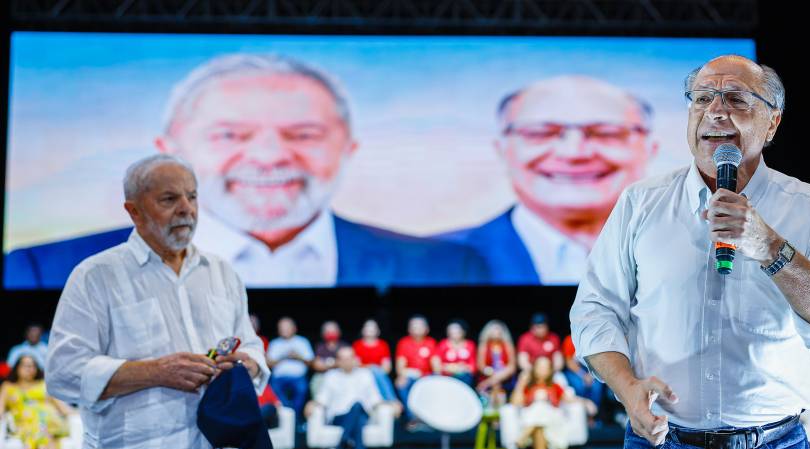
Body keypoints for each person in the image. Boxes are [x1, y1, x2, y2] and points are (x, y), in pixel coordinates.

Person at [570, 55, 810, 449]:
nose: (715, 110)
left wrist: (768, 245)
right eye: (701, 98)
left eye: (734, 98)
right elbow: (596, 310)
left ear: (772, 123)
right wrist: (627, 389)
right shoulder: (641, 203)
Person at [4, 54, 487, 290]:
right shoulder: (44, 271)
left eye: (304, 134)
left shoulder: (449, 266)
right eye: (230, 135)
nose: (271, 157)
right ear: (168, 151)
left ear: (348, 148)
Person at [44, 154, 270, 449]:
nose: (186, 208)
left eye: (192, 196)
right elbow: (63, 373)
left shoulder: (223, 272)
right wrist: (156, 372)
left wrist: (249, 363)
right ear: (133, 211)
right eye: (169, 198)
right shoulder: (96, 276)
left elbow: (247, 343)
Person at [439, 75, 656, 285]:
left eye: (606, 133)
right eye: (540, 133)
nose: (574, 153)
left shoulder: (686, 249)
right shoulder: (440, 258)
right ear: (502, 150)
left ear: (650, 149)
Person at [1, 354, 79, 449]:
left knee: (39, 427)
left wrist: (80, 413)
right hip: (24, 426)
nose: (29, 368)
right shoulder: (8, 387)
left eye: (32, 365)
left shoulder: (43, 385)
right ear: (17, 368)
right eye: (25, 365)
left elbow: (62, 408)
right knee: (42, 435)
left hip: (51, 423)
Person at [304, 346, 382, 449]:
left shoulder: (365, 374)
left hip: (362, 413)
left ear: (355, 359)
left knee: (357, 406)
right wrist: (312, 403)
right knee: (357, 421)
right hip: (339, 417)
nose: (347, 361)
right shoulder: (331, 376)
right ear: (338, 361)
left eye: (350, 358)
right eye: (343, 359)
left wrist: (390, 404)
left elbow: (375, 398)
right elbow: (323, 398)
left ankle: (341, 444)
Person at [510, 356, 574, 449]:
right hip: (534, 421)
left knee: (541, 408)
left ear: (550, 370)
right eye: (540, 367)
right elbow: (515, 403)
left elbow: (570, 400)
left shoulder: (555, 386)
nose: (542, 370)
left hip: (552, 421)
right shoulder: (528, 386)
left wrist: (585, 402)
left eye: (546, 367)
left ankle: (523, 436)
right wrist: (520, 384)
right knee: (538, 425)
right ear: (534, 369)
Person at [394, 315, 437, 425]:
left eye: (420, 326)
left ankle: (429, 419)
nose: (416, 328)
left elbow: (436, 366)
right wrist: (406, 374)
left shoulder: (431, 342)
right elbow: (400, 367)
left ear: (426, 329)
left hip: (427, 377)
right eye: (413, 326)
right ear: (409, 329)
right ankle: (413, 418)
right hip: (411, 376)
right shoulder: (404, 343)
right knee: (401, 383)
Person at [267, 317, 314, 413]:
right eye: (281, 327)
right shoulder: (274, 343)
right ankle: (290, 413)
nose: (284, 330)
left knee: (302, 389)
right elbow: (268, 364)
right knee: (273, 390)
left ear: (294, 328)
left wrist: (297, 356)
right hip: (279, 378)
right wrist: (283, 357)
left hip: (298, 377)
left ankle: (294, 416)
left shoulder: (302, 341)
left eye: (287, 327)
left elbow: (311, 362)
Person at [352, 319, 400, 403]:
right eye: (367, 328)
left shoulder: (383, 345)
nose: (370, 331)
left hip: (379, 375)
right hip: (362, 374)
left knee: (377, 372)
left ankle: (390, 401)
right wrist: (371, 368)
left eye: (373, 328)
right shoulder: (357, 345)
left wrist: (375, 370)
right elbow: (356, 365)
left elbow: (387, 368)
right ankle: (392, 400)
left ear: (378, 331)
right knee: (373, 369)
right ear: (363, 331)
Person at [561, 333, 604, 422]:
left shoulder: (594, 338)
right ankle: (581, 416)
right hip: (576, 371)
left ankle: (592, 416)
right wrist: (582, 375)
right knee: (579, 385)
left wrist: (591, 375)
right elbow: (569, 362)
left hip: (593, 370)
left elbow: (600, 360)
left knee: (597, 386)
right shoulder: (570, 339)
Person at [475, 320, 518, 406]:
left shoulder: (508, 345)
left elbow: (512, 367)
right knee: (496, 384)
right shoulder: (484, 346)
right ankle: (493, 409)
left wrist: (489, 382)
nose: (497, 332)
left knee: (496, 384)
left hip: (505, 377)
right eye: (494, 330)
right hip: (488, 375)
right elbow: (481, 366)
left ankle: (498, 410)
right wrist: (491, 373)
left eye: (499, 330)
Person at [310, 321, 349, 397]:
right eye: (328, 331)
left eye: (333, 331)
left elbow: (347, 364)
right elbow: (317, 365)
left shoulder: (344, 346)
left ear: (338, 332)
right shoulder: (320, 347)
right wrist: (336, 363)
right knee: (316, 380)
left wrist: (327, 363)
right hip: (323, 375)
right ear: (323, 333)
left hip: (341, 375)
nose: (331, 333)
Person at [433, 319, 477, 386]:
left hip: (464, 377)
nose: (454, 333)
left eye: (457, 331)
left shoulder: (470, 345)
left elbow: (473, 367)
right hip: (446, 377)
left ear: (463, 331)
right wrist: (450, 367)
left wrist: (461, 368)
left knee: (467, 378)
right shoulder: (443, 344)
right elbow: (436, 363)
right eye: (451, 331)